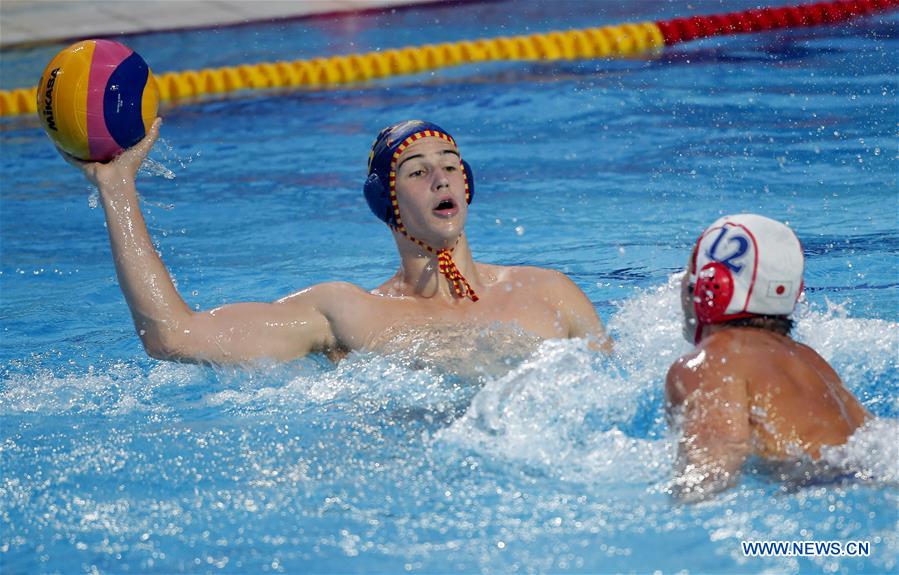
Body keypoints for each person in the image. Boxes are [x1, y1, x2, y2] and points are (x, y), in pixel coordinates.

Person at [61, 118, 611, 364]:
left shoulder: (549, 290)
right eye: (418, 172)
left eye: (450, 167)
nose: (441, 178)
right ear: (385, 203)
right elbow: (173, 337)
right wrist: (117, 189)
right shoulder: (347, 314)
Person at [665, 214, 870, 501]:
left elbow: (706, 481)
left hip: (823, 495)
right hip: (863, 480)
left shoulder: (711, 362)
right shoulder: (811, 361)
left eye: (688, 275)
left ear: (709, 289)